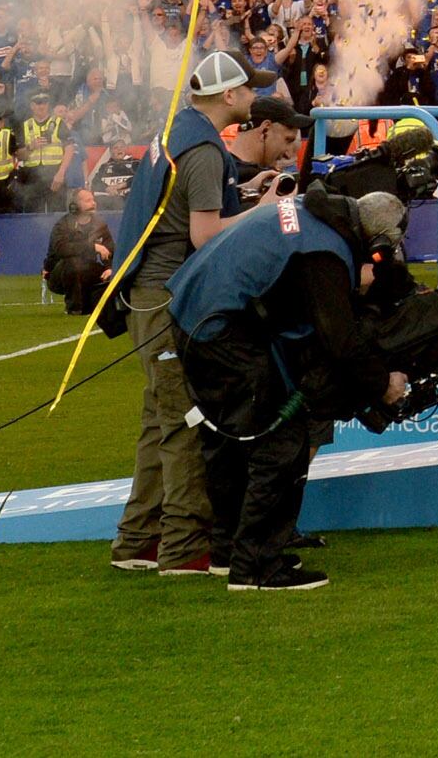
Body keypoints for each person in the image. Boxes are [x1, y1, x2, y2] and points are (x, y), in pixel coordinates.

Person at [108, 50, 300, 576]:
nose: (255, 98)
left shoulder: (178, 133)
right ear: (228, 96)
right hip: (168, 294)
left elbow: (187, 210)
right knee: (185, 423)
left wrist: (240, 194)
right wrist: (261, 212)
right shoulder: (206, 150)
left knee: (158, 420)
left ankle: (137, 541)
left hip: (147, 291)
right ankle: (184, 549)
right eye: (249, 89)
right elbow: (203, 234)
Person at [168, 188, 413, 592]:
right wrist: (382, 384)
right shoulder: (324, 251)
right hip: (220, 328)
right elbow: (340, 341)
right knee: (282, 441)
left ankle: (230, 553)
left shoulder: (308, 216)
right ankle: (257, 567)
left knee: (227, 441)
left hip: (195, 316)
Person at [47, 187, 116, 314]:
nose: (93, 203)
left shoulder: (100, 225)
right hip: (61, 274)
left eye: (93, 199)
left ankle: (95, 305)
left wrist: (110, 268)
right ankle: (74, 308)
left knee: (113, 274)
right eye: (88, 200)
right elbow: (61, 249)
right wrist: (92, 247)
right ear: (75, 205)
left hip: (87, 269)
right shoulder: (63, 224)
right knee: (74, 262)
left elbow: (110, 249)